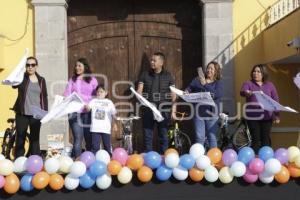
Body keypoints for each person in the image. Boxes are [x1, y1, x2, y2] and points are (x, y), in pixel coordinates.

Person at [137, 52, 176, 154]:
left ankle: (165, 158)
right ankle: (148, 160)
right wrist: (140, 97)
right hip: (148, 109)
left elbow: (174, 94)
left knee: (163, 136)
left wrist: (174, 111)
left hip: (164, 110)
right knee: (147, 136)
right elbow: (139, 91)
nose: (152, 62)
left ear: (161, 62)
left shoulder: (168, 76)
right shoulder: (145, 74)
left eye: (154, 60)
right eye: (151, 60)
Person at [13, 56, 48, 158]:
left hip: (36, 114)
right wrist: (18, 73)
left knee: (35, 139)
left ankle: (35, 161)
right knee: (20, 138)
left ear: (36, 66)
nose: (30, 67)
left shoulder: (41, 80)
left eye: (32, 65)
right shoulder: (21, 78)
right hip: (22, 113)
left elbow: (44, 97)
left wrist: (44, 112)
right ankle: (18, 161)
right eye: (28, 65)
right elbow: (13, 85)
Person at [240, 64, 280, 153]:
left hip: (267, 117)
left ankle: (266, 161)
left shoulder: (270, 85)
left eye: (258, 72)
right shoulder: (248, 83)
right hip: (252, 117)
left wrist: (277, 115)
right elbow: (243, 92)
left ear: (263, 73)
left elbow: (275, 100)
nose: (255, 73)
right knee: (256, 140)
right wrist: (247, 92)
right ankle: (256, 162)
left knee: (265, 139)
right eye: (254, 71)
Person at [63, 58, 98, 158]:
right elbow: (67, 94)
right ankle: (77, 161)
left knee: (89, 138)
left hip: (88, 112)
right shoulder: (72, 80)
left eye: (79, 66)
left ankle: (90, 160)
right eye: (76, 65)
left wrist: (90, 105)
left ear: (85, 67)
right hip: (74, 113)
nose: (77, 67)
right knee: (78, 138)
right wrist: (64, 100)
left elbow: (97, 96)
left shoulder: (92, 80)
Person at [185, 61, 223, 149]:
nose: (209, 70)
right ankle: (199, 157)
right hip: (199, 113)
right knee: (199, 137)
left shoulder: (218, 83)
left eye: (212, 69)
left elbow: (217, 94)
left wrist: (205, 84)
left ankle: (213, 158)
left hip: (212, 114)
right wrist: (187, 91)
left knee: (212, 137)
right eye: (208, 68)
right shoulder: (198, 79)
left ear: (216, 71)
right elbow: (190, 87)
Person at [85, 84, 117, 155]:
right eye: (98, 92)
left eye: (101, 92)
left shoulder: (109, 102)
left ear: (106, 93)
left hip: (106, 128)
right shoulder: (93, 101)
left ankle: (109, 161)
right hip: (95, 128)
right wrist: (86, 107)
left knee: (107, 146)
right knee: (95, 147)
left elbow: (113, 114)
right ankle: (94, 162)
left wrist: (114, 124)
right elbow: (88, 109)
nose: (99, 93)